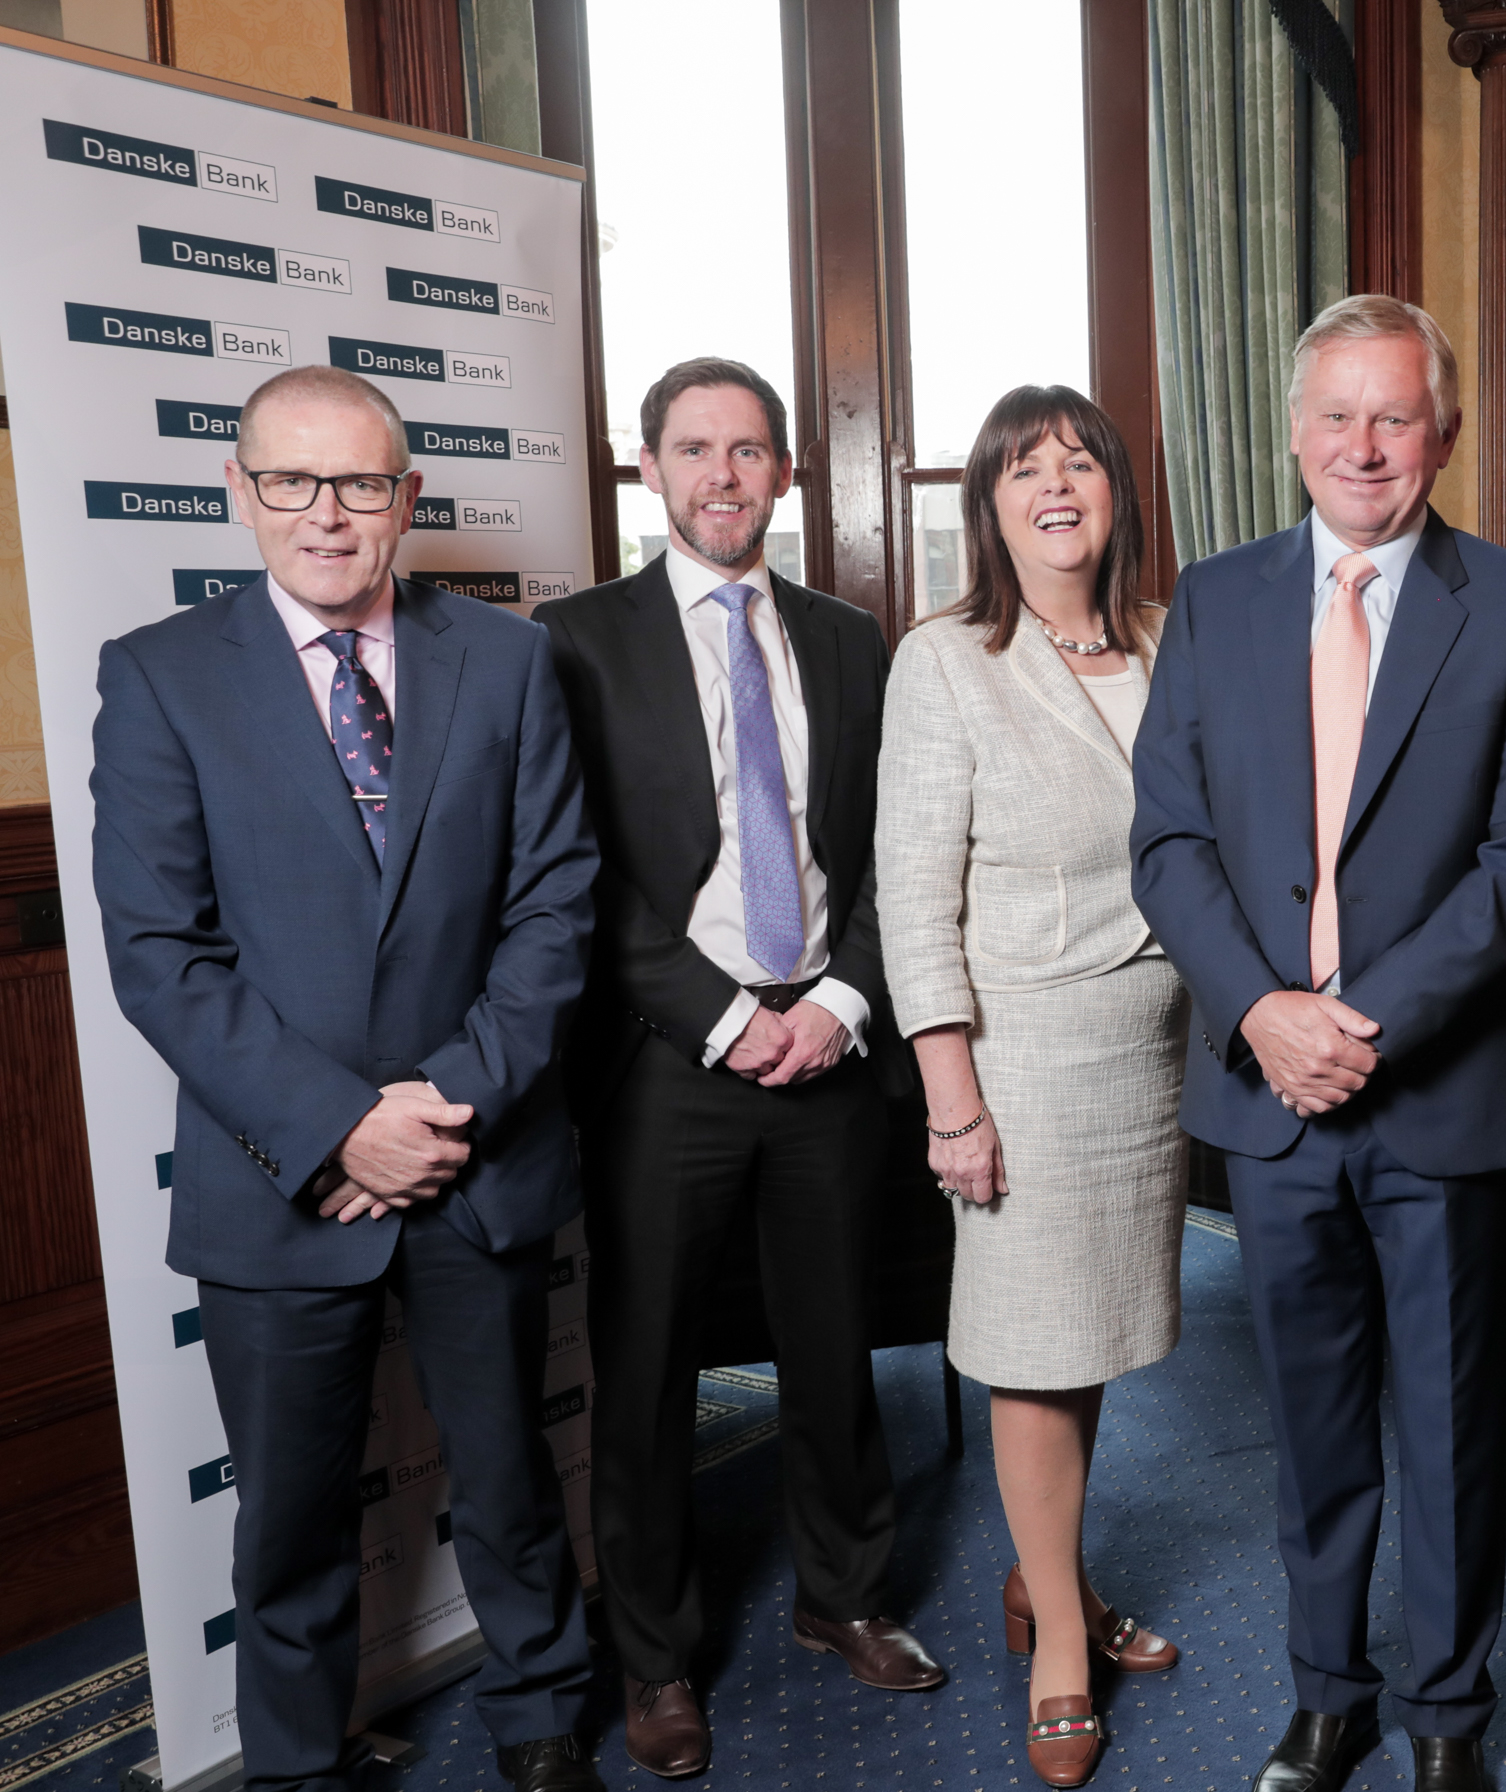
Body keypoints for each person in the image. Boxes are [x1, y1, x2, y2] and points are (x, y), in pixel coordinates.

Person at [91, 365, 604, 1792]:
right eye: (293, 482)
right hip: (279, 1185)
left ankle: (545, 1715)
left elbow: (555, 904)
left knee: (510, 1485)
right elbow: (160, 956)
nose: (329, 514)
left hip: (475, 1152)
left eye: (362, 483)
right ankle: (298, 1767)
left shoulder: (506, 662)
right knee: (296, 1520)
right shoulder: (158, 675)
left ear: (407, 500)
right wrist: (336, 1129)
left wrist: (443, 1103)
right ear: (242, 492)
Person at [1131, 294, 1506, 1792]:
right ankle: (1329, 1693)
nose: (1365, 445)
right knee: (1312, 1422)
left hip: (1442, 1096)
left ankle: (1447, 1714)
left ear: (1443, 434)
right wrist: (1266, 1018)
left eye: (1396, 415)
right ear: (1292, 432)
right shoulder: (1214, 599)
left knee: (1453, 1428)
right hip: (1272, 1098)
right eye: (1337, 414)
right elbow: (1170, 840)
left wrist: (1362, 1026)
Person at [536, 358, 938, 1781]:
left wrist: (840, 999)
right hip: (668, 1059)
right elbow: (570, 875)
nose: (724, 474)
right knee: (645, 1369)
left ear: (783, 472)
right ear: (649, 469)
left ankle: (848, 1596)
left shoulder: (847, 637)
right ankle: (655, 1658)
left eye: (749, 449)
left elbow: (896, 848)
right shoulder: (573, 642)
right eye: (694, 449)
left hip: (828, 1038)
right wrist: (721, 1015)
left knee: (835, 1343)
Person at [876, 386, 1186, 1788]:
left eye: (1079, 462)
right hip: (1025, 1050)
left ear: (1119, 491)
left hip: (1150, 1043)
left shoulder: (1173, 643)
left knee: (1095, 1336)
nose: (1054, 485)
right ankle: (1062, 1631)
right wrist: (952, 1093)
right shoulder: (947, 660)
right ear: (987, 505)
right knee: (1035, 1349)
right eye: (1023, 469)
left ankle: (1042, 1573)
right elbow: (909, 892)